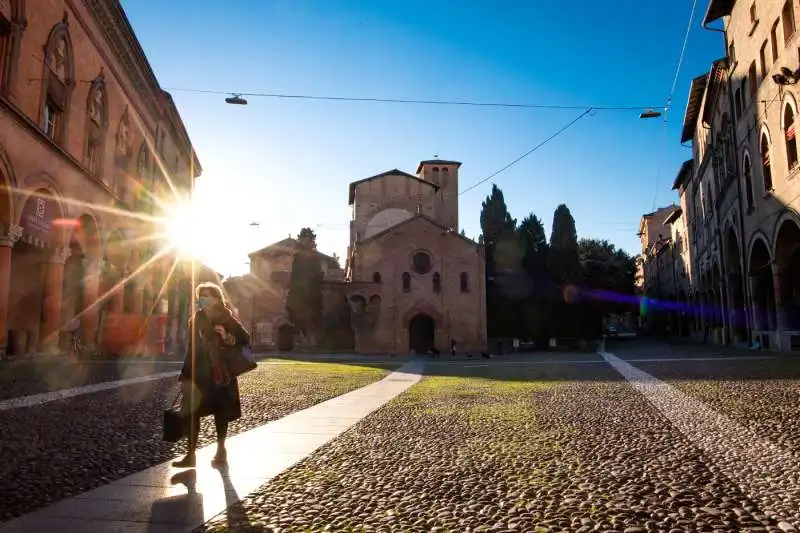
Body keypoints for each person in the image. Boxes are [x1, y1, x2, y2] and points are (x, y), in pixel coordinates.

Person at [173, 282, 250, 468]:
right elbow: (190, 349)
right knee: (191, 413)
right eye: (200, 297)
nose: (202, 300)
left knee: (220, 412)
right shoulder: (196, 318)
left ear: (216, 298)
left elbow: (245, 338)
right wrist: (185, 373)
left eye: (206, 296)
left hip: (220, 373)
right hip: (199, 373)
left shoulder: (227, 318)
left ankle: (221, 450)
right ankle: (190, 455)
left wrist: (226, 336)